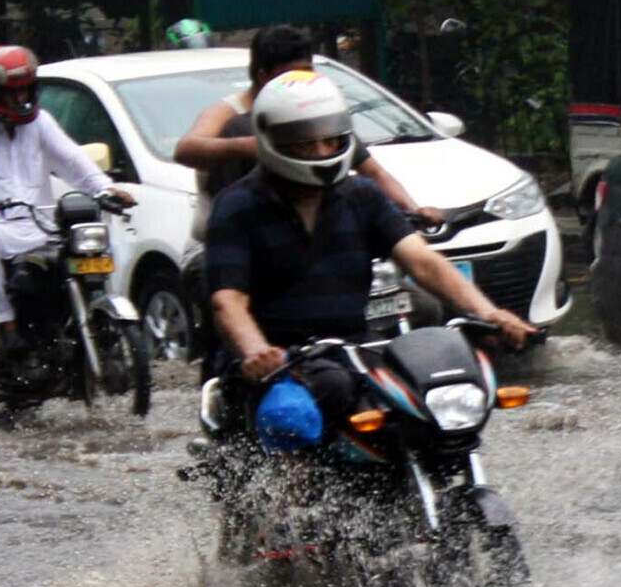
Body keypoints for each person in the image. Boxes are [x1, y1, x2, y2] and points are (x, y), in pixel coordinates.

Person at [205, 70, 534, 428]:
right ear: (272, 141)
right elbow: (228, 302)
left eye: (330, 140)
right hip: (275, 358)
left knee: (427, 386)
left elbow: (424, 263)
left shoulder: (362, 196)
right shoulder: (236, 207)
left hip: (351, 348)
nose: (321, 151)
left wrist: (491, 314)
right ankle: (293, 482)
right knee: (313, 402)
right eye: (305, 143)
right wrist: (257, 352)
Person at [175, 25, 445, 368]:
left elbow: (374, 173)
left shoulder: (317, 120)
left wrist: (413, 208)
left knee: (421, 306)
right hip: (234, 246)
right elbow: (187, 148)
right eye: (292, 76)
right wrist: (266, 146)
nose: (318, 151)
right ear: (263, 76)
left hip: (304, 237)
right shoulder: (232, 120)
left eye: (309, 74)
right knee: (236, 319)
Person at [0, 45, 136, 353]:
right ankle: (7, 328)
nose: (20, 99)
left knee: (89, 236)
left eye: (24, 91)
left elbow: (73, 162)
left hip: (39, 226)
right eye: (11, 93)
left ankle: (88, 317)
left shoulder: (40, 122)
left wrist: (105, 189)